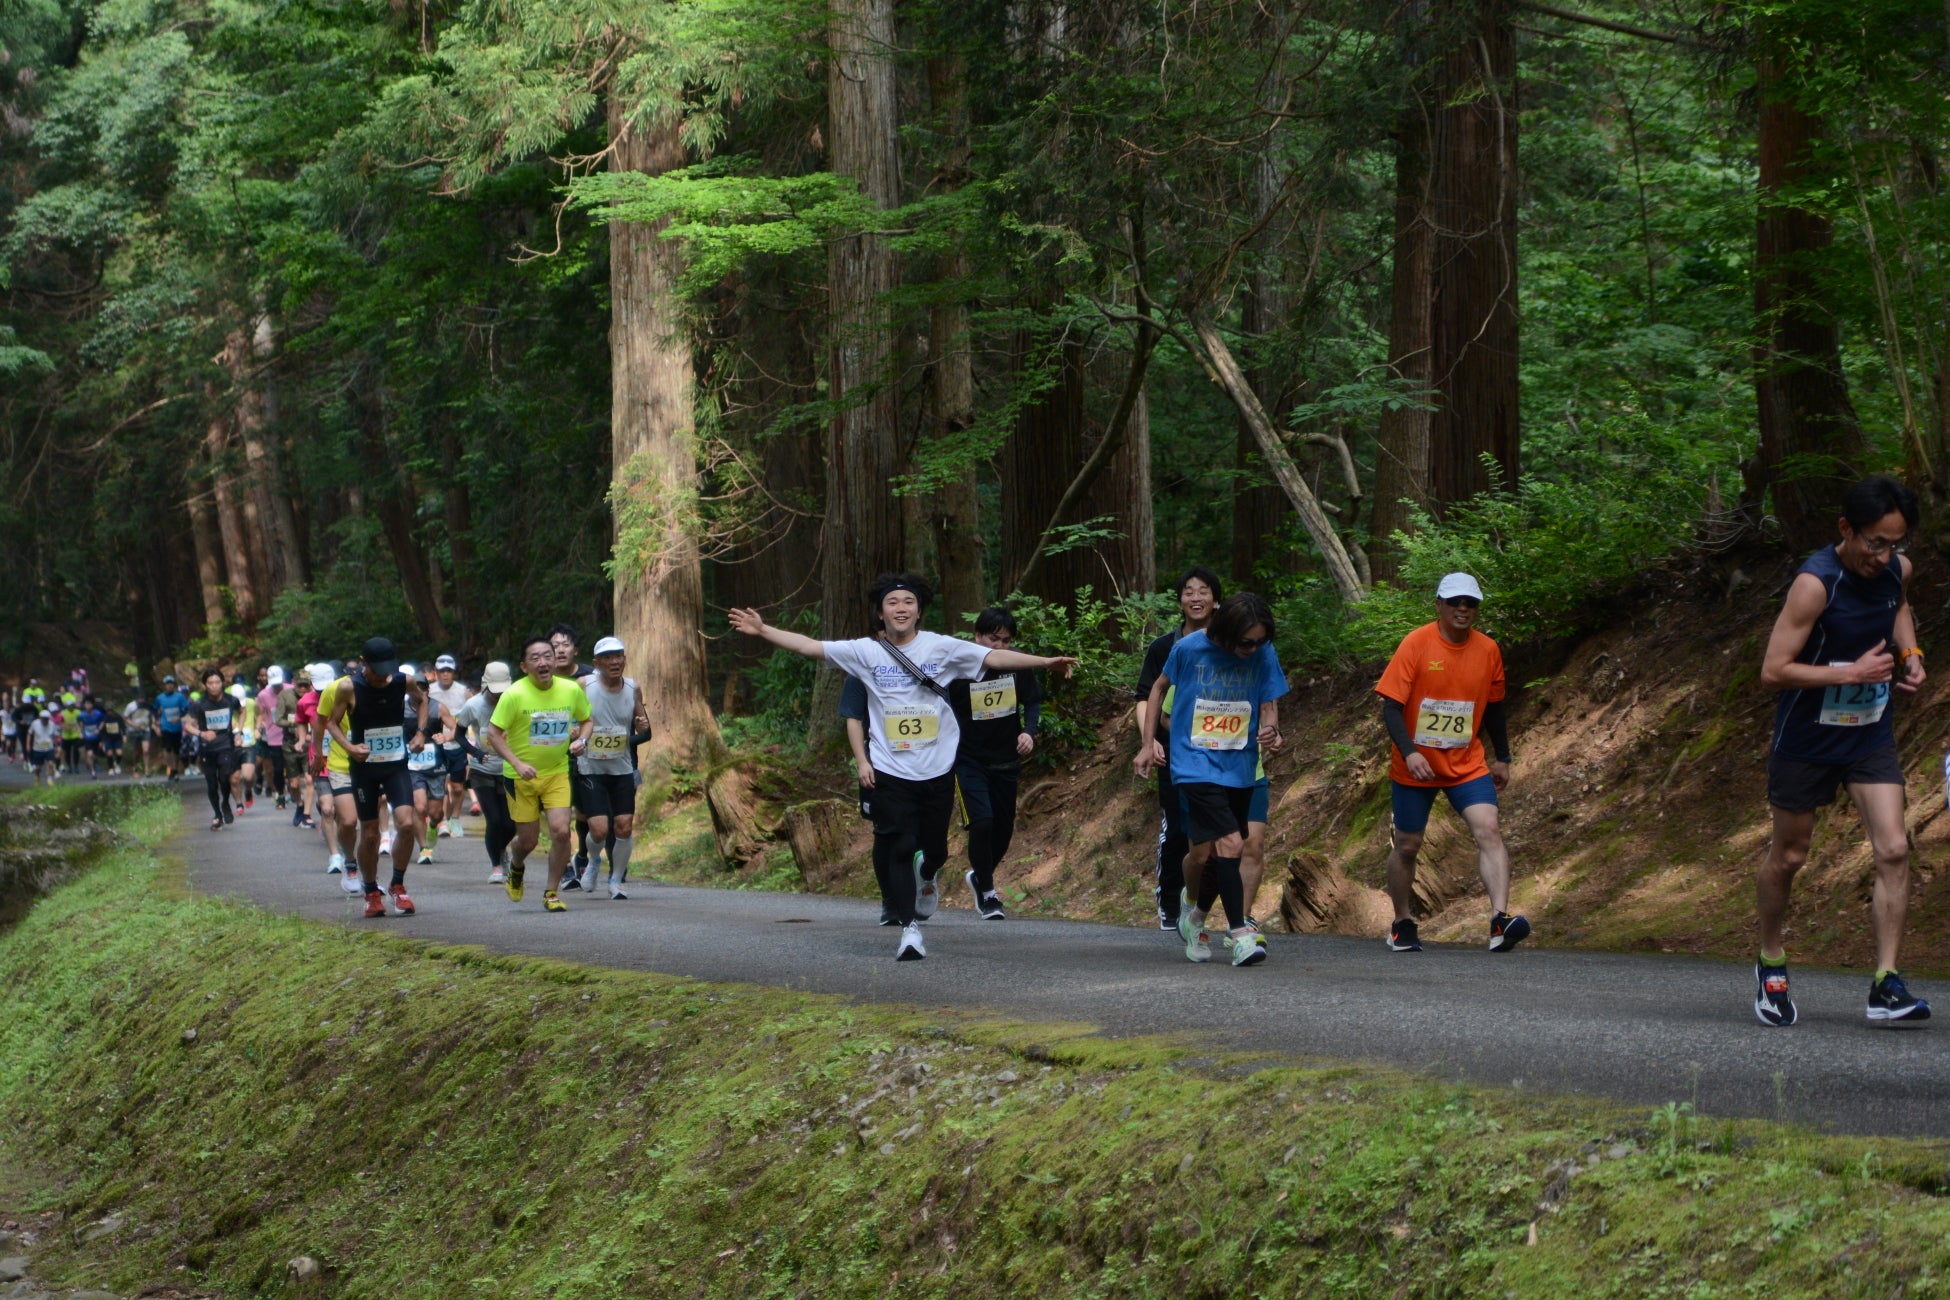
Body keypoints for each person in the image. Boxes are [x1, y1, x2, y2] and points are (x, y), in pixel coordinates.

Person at [729, 575, 1077, 962]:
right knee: (900, 844)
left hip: (938, 765)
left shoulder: (940, 647)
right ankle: (909, 930)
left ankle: (927, 875)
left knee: (936, 850)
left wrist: (1045, 662)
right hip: (891, 766)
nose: (900, 608)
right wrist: (762, 630)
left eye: (908, 602)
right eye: (892, 602)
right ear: (880, 612)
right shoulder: (866, 652)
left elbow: (994, 658)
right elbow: (811, 647)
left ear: (918, 611)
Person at [1754, 475, 1930, 1027]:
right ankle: (1770, 959)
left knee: (1895, 848)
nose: (1883, 556)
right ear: (1845, 529)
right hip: (1807, 738)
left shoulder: (1895, 571)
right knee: (1790, 856)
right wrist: (1849, 671)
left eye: (1894, 544)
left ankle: (1886, 983)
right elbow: (1772, 671)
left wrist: (1912, 653)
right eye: (1874, 542)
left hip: (1868, 732)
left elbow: (1899, 607)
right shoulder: (1815, 583)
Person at [1373, 572, 1526, 955]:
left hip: (1466, 763)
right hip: (1416, 764)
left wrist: (1503, 756)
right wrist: (1410, 751)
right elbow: (1391, 708)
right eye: (1455, 601)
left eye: (1471, 603)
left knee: (1488, 828)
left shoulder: (1488, 649)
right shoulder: (1416, 643)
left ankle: (1499, 920)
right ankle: (1402, 922)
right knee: (1407, 845)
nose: (1463, 609)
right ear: (1438, 604)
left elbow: (1494, 707)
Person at [1134, 592, 1285, 967]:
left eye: (1259, 642)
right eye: (1245, 642)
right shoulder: (1189, 649)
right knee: (1231, 843)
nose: (1252, 649)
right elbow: (1156, 689)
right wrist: (1147, 743)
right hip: (1194, 763)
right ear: (1225, 633)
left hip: (1240, 766)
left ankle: (1196, 913)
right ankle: (1240, 934)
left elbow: (1269, 704)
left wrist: (1271, 730)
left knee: (1215, 855)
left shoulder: (1264, 653)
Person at [1132, 567, 1222, 932]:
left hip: (1219, 753)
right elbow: (1145, 696)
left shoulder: (1229, 643)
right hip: (1173, 754)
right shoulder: (1163, 647)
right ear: (1180, 599)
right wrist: (1148, 740)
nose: (1196, 597)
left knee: (1219, 836)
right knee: (1179, 828)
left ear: (1217, 599)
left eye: (1203, 591)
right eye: (1189, 591)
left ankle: (1205, 906)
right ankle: (1170, 899)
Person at [322, 638, 432, 918]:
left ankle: (397, 884)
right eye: (378, 669)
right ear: (363, 662)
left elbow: (422, 701)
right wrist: (350, 748)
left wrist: (421, 732)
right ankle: (371, 891)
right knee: (370, 833)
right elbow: (331, 723)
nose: (384, 675)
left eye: (388, 668)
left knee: (406, 824)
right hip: (365, 767)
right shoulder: (349, 687)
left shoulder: (402, 681)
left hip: (396, 763)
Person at [487, 635, 594, 913]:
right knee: (529, 841)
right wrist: (518, 763)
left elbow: (587, 720)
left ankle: (551, 892)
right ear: (524, 666)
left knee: (561, 832)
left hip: (557, 772)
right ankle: (516, 863)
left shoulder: (570, 690)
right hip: (520, 776)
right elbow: (493, 733)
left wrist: (582, 741)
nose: (543, 662)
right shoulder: (514, 694)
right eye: (535, 658)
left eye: (548, 655)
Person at [948, 607, 1042, 920]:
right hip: (968, 759)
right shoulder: (959, 667)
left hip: (1006, 759)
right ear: (976, 637)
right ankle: (988, 891)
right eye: (993, 639)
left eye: (1005, 640)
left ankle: (980, 875)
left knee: (1003, 831)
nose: (999, 646)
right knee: (982, 822)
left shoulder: (1017, 665)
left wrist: (1028, 731)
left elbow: (1033, 700)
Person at [576, 636, 653, 899]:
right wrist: (577, 735)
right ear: (596, 663)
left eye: (619, 656)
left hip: (622, 768)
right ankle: (594, 861)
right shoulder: (584, 685)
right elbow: (571, 722)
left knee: (624, 826)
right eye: (608, 657)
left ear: (625, 659)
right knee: (598, 829)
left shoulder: (633, 688)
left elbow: (645, 731)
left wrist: (633, 735)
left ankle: (616, 879)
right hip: (591, 768)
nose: (615, 661)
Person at [455, 661, 516, 883]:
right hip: (482, 770)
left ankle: (501, 850)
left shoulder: (515, 701)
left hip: (509, 769)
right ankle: (497, 866)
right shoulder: (473, 705)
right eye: (495, 691)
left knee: (510, 824)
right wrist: (475, 753)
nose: (499, 696)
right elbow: (458, 735)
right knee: (494, 820)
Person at [305, 662, 358, 889]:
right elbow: (310, 726)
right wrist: (312, 749)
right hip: (322, 761)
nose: (322, 692)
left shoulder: (348, 692)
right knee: (327, 808)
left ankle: (344, 848)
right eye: (318, 689)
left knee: (345, 816)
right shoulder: (305, 702)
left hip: (347, 760)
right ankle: (335, 856)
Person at [185, 670, 240, 830]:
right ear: (205, 685)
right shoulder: (199, 704)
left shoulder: (231, 700)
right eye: (210, 683)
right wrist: (202, 733)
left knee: (224, 778)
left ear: (222, 683)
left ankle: (225, 803)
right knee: (211, 784)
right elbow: (188, 725)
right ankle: (217, 814)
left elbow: (241, 712)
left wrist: (239, 732)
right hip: (207, 749)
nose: (214, 686)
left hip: (226, 746)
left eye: (217, 682)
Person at [426, 654, 472, 841]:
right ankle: (442, 820)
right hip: (436, 745)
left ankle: (455, 818)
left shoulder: (463, 692)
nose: (445, 675)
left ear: (454, 672)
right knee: (441, 785)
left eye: (449, 671)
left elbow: (470, 716)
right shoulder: (429, 691)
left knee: (458, 787)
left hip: (458, 743)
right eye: (442, 671)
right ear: (436, 673)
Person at [256, 667, 290, 811]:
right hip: (274, 736)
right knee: (278, 768)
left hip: (291, 734)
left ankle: (291, 790)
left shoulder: (291, 689)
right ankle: (280, 795)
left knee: (291, 766)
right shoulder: (263, 695)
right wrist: (258, 728)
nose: (277, 686)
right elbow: (260, 713)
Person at [155, 676, 189, 781]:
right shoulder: (160, 698)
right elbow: (155, 709)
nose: (169, 686)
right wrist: (156, 722)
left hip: (177, 727)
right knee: (167, 748)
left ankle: (175, 769)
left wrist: (179, 717)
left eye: (171, 684)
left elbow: (187, 708)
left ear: (174, 685)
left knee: (176, 750)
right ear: (164, 686)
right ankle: (171, 769)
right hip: (166, 726)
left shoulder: (179, 697)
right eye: (167, 684)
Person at [123, 695, 153, 778]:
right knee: (136, 752)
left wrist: (153, 724)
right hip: (134, 731)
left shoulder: (148, 706)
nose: (141, 700)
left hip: (145, 730)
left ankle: (147, 769)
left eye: (143, 698)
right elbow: (125, 717)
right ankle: (135, 768)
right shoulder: (131, 706)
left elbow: (152, 715)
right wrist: (133, 724)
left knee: (146, 750)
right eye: (140, 698)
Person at [27, 711, 57, 785]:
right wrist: (28, 744)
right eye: (43, 719)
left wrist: (56, 746)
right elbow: (29, 734)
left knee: (50, 764)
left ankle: (50, 779)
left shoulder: (52, 724)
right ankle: (37, 777)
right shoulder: (35, 724)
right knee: (38, 767)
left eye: (46, 719)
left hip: (49, 748)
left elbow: (55, 735)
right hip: (38, 749)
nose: (45, 721)